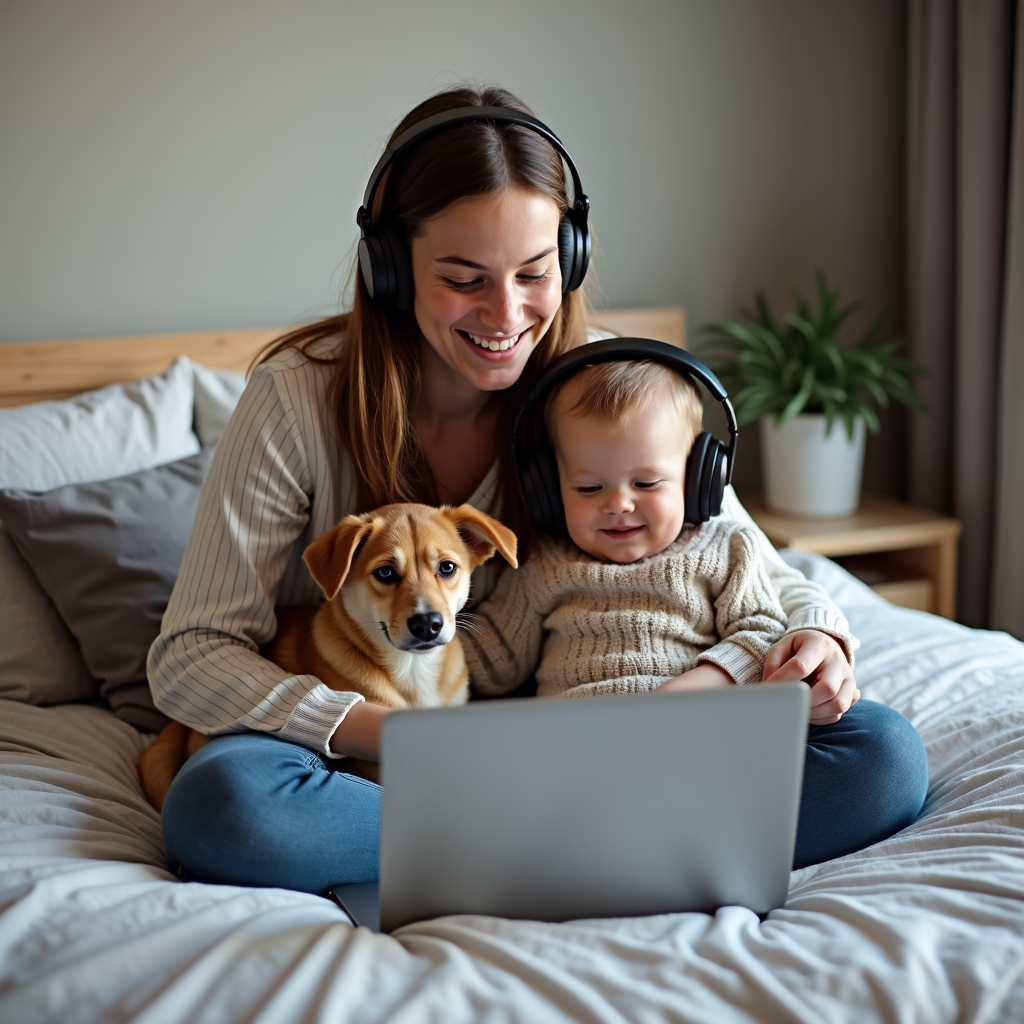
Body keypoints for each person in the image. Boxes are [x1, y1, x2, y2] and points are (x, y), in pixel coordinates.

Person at [148, 85, 926, 894]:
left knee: (882, 757)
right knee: (226, 803)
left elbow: (752, 562)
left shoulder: (600, 386)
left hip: (586, 734)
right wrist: (392, 735)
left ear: (572, 259)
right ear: (389, 268)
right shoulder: (294, 399)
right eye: (463, 278)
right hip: (381, 736)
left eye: (534, 272)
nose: (506, 312)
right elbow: (189, 658)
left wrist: (824, 639)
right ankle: (605, 841)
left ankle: (505, 843)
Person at [463, 358, 928, 868]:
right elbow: (494, 658)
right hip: (584, 761)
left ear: (699, 479)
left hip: (707, 753)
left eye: (646, 483)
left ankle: (633, 853)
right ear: (551, 491)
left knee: (886, 752)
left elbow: (761, 630)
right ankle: (638, 850)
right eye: (589, 488)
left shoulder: (728, 548)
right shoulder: (542, 567)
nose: (618, 504)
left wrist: (694, 690)